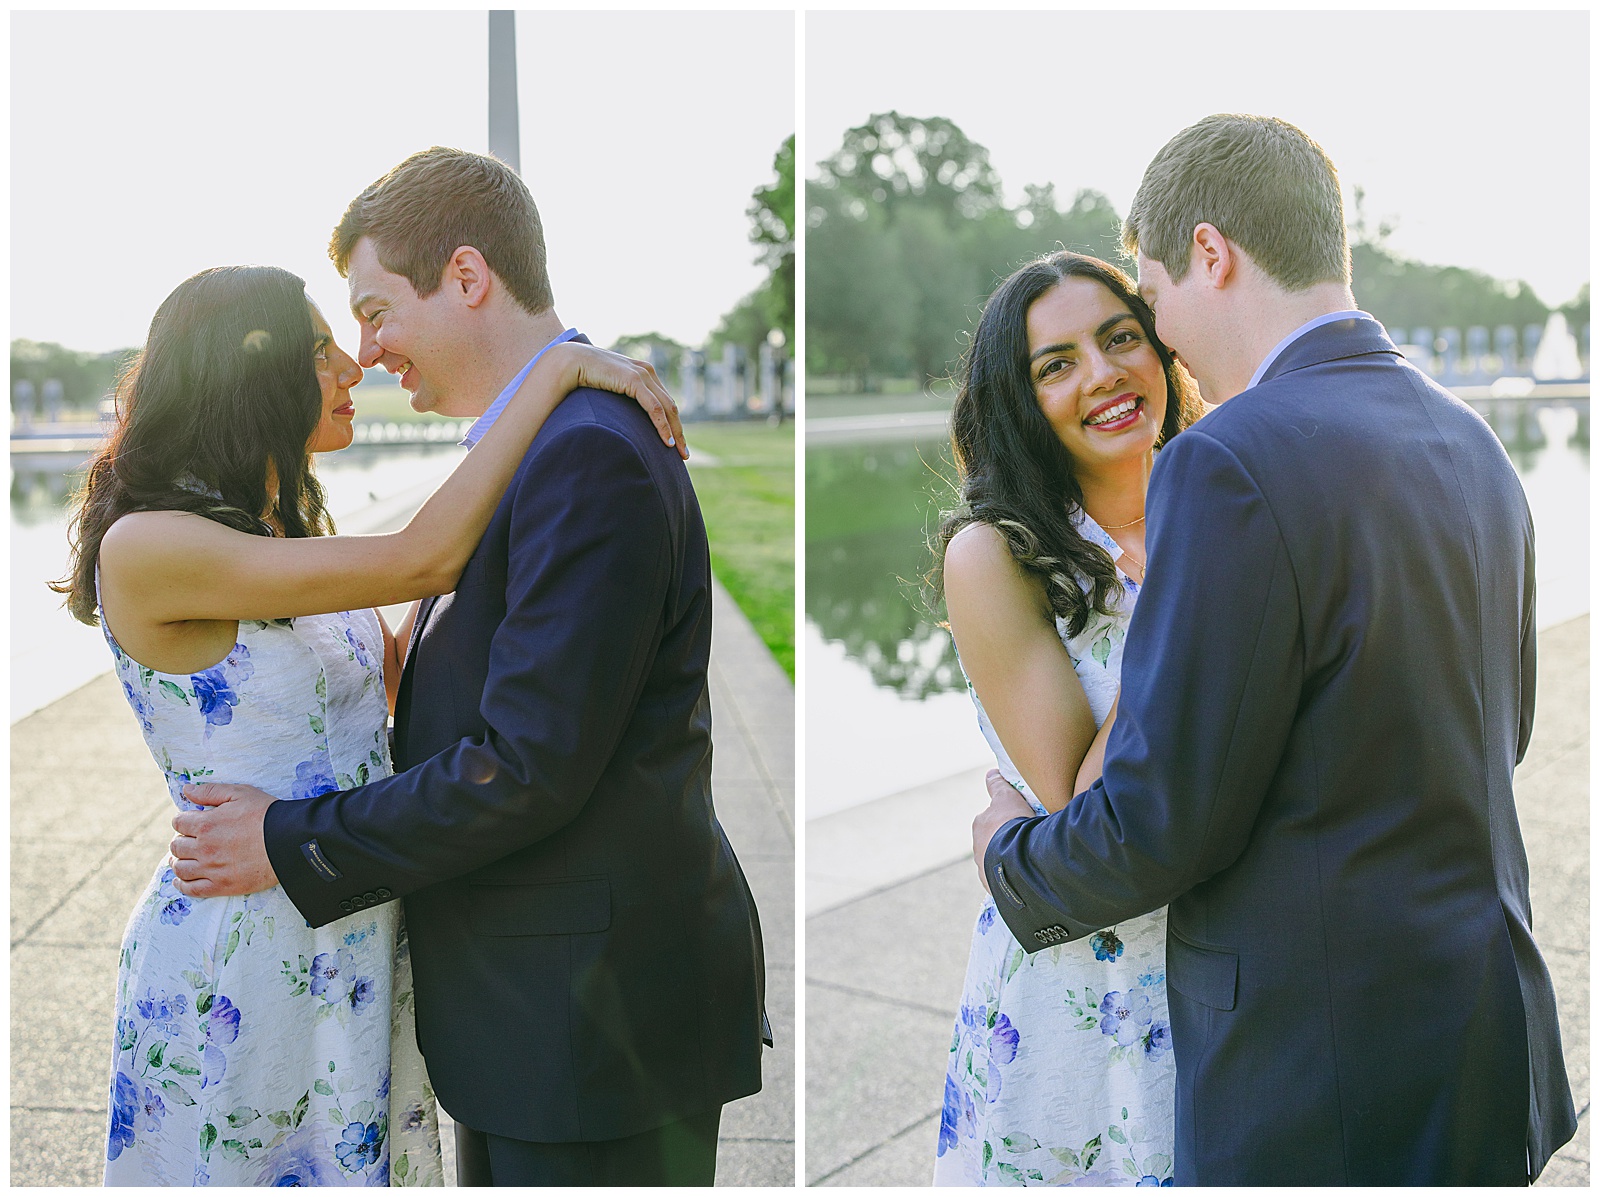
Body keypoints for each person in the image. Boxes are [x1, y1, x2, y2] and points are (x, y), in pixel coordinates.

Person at [971, 113, 1575, 1185]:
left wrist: (1007, 852)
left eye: (1148, 301)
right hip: (1485, 1039)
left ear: (1209, 254)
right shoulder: (1468, 436)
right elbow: (1501, 729)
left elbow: (1158, 824)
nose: (1160, 339)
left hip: (1320, 1071)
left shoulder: (1227, 461)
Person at [167, 147, 769, 1187]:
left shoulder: (583, 452)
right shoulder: (546, 439)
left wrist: (285, 840)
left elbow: (525, 768)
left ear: (466, 275)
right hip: (542, 1015)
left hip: (590, 1025)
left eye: (374, 310)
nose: (365, 351)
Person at [58, 263, 682, 1186]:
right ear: (243, 373)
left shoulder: (280, 535)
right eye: (320, 350)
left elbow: (416, 665)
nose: (353, 365)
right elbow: (425, 559)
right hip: (247, 945)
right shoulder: (150, 544)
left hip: (347, 919)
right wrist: (554, 372)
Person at [932, 252, 1202, 1186]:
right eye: (1057, 363)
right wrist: (1187, 574)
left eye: (1120, 337)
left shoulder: (1232, 500)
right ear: (1020, 399)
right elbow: (1092, 810)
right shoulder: (992, 557)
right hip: (1087, 984)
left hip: (1233, 968)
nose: (1102, 373)